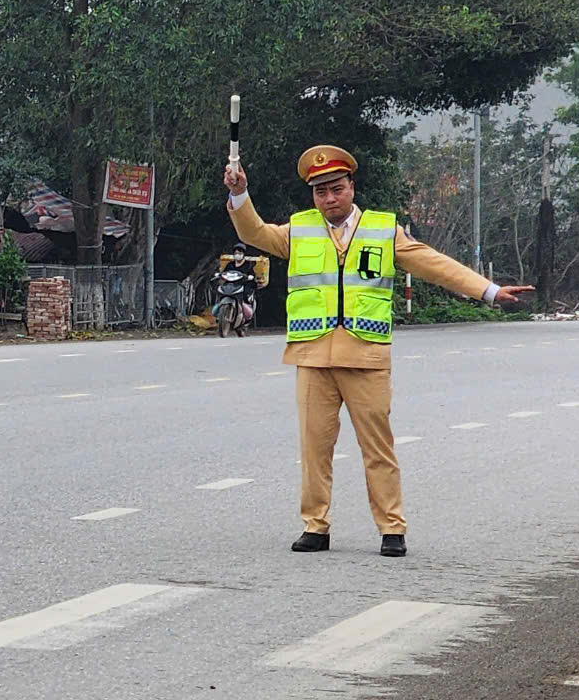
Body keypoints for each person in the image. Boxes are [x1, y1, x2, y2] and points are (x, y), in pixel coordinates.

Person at [224, 145, 530, 557]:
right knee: (314, 449)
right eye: (320, 192)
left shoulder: (384, 231)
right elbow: (254, 233)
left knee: (377, 448)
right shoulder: (298, 231)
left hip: (365, 357)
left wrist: (489, 290)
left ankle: (392, 528)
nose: (329, 199)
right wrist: (240, 194)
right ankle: (315, 526)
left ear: (352, 186)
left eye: (336, 189)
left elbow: (434, 264)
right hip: (313, 359)